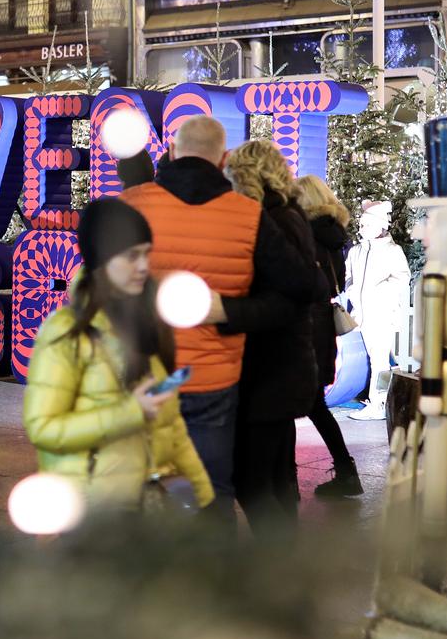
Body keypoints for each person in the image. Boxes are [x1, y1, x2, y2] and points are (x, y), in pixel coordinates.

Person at [12, 197, 214, 639]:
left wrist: (201, 495)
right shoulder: (65, 335)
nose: (144, 265)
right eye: (132, 255)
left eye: (147, 253)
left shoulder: (144, 324)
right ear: (100, 260)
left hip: (140, 506)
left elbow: (168, 426)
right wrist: (129, 413)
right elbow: (42, 426)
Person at [121, 116, 312, 528]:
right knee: (211, 495)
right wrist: (228, 310)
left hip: (147, 379)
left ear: (171, 152)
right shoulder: (248, 215)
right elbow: (301, 289)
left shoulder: (132, 204)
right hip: (213, 380)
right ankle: (213, 585)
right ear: (223, 158)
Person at [222, 141, 323, 537]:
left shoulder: (274, 220)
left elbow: (293, 293)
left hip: (270, 369)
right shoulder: (289, 214)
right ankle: (285, 573)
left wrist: (226, 313)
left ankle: (276, 572)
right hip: (285, 367)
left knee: (252, 481)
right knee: (276, 480)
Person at [293, 175, 362, 498]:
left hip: (305, 323)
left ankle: (287, 480)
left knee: (302, 401)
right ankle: (346, 471)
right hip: (322, 324)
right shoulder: (334, 236)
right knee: (313, 402)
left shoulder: (306, 235)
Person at [344, 200, 409, 421]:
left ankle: (379, 403)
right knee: (375, 358)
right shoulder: (356, 252)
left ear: (379, 226)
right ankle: (379, 400)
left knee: (379, 359)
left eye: (366, 225)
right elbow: (348, 277)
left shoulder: (392, 251)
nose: (361, 229)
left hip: (382, 314)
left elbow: (402, 278)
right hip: (362, 314)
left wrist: (381, 291)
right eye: (361, 225)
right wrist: (351, 289)